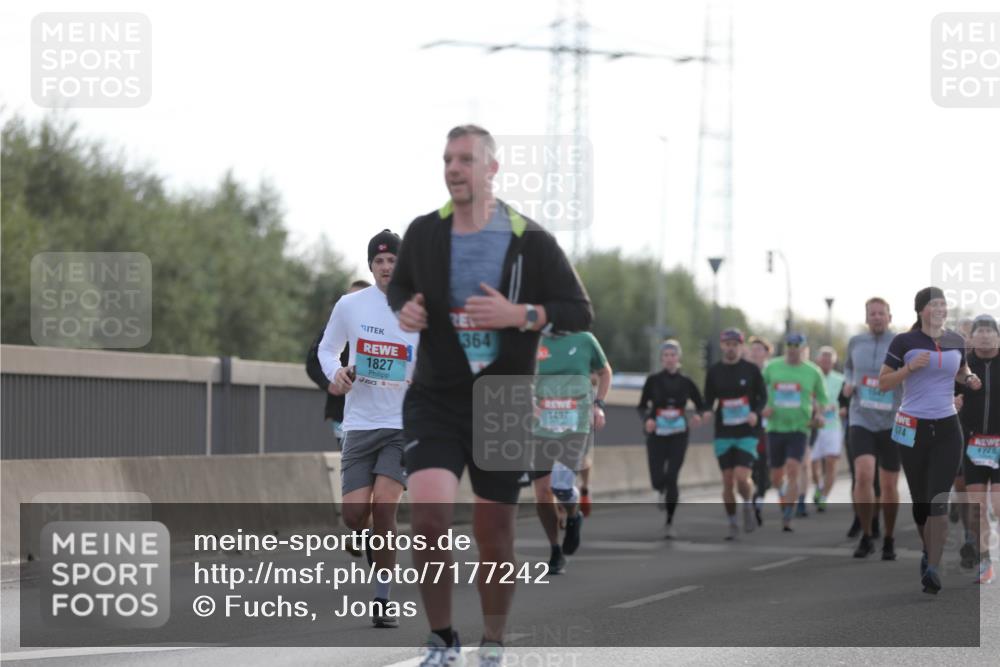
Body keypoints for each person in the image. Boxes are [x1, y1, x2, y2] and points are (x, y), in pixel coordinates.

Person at [388, 124, 593, 666]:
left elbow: (578, 310)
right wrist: (405, 308)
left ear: (492, 168)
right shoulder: (425, 232)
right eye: (447, 160)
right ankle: (441, 639)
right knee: (428, 520)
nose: (454, 169)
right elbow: (401, 286)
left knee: (494, 533)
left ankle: (494, 641)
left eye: (465, 160)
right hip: (436, 396)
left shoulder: (530, 239)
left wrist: (520, 314)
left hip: (502, 399)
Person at [318, 231, 417, 627]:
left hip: (401, 425)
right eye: (379, 261)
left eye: (393, 260)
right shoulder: (351, 305)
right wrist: (337, 373)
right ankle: (362, 532)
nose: (386, 267)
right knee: (354, 515)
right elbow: (326, 349)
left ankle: (382, 600)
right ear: (371, 266)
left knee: (384, 509)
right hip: (360, 423)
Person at [878, 286, 981, 594]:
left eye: (943, 305)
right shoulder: (904, 341)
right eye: (934, 305)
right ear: (921, 310)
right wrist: (909, 368)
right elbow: (884, 383)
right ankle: (928, 550)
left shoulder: (956, 340)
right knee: (921, 500)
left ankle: (933, 567)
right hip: (912, 427)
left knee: (938, 497)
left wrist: (969, 378)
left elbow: (961, 370)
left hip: (948, 427)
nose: (940, 310)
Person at [530, 331, 611, 574]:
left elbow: (605, 372)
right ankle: (555, 549)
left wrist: (599, 405)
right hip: (541, 426)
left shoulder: (585, 340)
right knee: (542, 492)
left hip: (575, 425)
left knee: (561, 486)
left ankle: (574, 515)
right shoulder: (534, 339)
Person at [843, 297, 901, 559]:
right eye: (872, 313)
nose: (877, 317)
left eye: (881, 313)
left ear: (889, 317)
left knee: (888, 485)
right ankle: (866, 535)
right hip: (861, 417)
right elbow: (848, 368)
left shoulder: (900, 343)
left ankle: (889, 538)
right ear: (866, 318)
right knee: (864, 474)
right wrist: (848, 382)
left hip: (892, 420)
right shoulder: (855, 342)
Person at [638, 339, 706, 538]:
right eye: (666, 355)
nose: (669, 359)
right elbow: (641, 406)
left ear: (678, 358)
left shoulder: (686, 382)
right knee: (657, 479)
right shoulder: (653, 381)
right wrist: (647, 420)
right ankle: (661, 490)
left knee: (672, 476)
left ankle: (669, 521)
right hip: (657, 434)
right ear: (661, 358)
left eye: (673, 355)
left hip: (679, 434)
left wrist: (698, 416)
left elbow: (701, 405)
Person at [703, 328, 768, 539]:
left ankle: (747, 504)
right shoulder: (714, 371)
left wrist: (756, 413)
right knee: (727, 480)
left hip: (747, 432)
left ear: (741, 346)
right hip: (723, 432)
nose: (731, 348)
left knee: (742, 477)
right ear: (722, 346)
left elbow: (763, 397)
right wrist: (705, 412)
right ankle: (732, 522)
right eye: (727, 345)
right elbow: (708, 400)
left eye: (735, 345)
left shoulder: (751, 370)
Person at [762, 332, 828, 532]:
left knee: (793, 469)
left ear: (803, 348)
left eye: (796, 346)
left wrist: (819, 414)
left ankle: (788, 515)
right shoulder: (772, 367)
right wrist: (763, 407)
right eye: (789, 345)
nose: (792, 349)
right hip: (775, 427)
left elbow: (822, 399)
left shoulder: (813, 371)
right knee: (776, 477)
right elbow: (758, 391)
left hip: (800, 428)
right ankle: (783, 496)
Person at [956, 314, 999, 584]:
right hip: (972, 445)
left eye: (989, 331)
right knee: (977, 508)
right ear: (971, 338)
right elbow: (943, 395)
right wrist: (953, 401)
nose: (984, 335)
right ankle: (986, 563)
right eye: (979, 331)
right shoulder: (962, 366)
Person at [306, 280, 372, 447]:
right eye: (349, 298)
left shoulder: (381, 329)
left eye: (357, 299)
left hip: (375, 413)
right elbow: (313, 363)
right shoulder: (333, 328)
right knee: (349, 457)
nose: (351, 304)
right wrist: (329, 383)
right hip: (341, 410)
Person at [811, 346, 846, 512]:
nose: (826, 362)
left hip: (833, 427)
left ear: (834, 362)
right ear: (818, 360)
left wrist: (839, 410)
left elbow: (846, 403)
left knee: (831, 462)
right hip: (814, 426)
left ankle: (824, 496)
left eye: (829, 360)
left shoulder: (840, 379)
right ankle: (818, 486)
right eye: (823, 359)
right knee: (813, 463)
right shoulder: (811, 376)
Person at [747, 335, 773, 524]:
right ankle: (753, 498)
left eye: (759, 349)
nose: (755, 353)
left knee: (765, 467)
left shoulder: (773, 371)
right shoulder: (745, 371)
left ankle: (759, 501)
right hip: (749, 426)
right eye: (753, 349)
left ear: (766, 353)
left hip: (770, 426)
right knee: (751, 465)